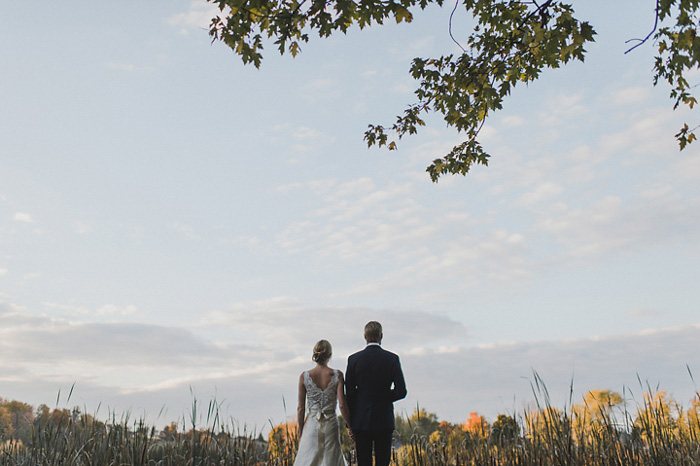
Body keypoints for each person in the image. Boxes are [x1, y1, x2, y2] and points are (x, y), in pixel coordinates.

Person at [345, 321, 407, 466]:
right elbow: (401, 391)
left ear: (364, 336)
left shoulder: (353, 359)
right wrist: (385, 397)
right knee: (383, 462)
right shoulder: (392, 359)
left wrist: (350, 423)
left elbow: (350, 393)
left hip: (360, 420)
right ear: (381, 336)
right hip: (384, 419)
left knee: (363, 462)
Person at [294, 339, 353, 466]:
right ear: (330, 355)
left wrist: (301, 432)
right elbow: (342, 405)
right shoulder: (337, 375)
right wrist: (350, 426)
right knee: (331, 459)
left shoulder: (304, 376)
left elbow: (301, 409)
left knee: (309, 459)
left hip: (311, 424)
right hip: (330, 423)